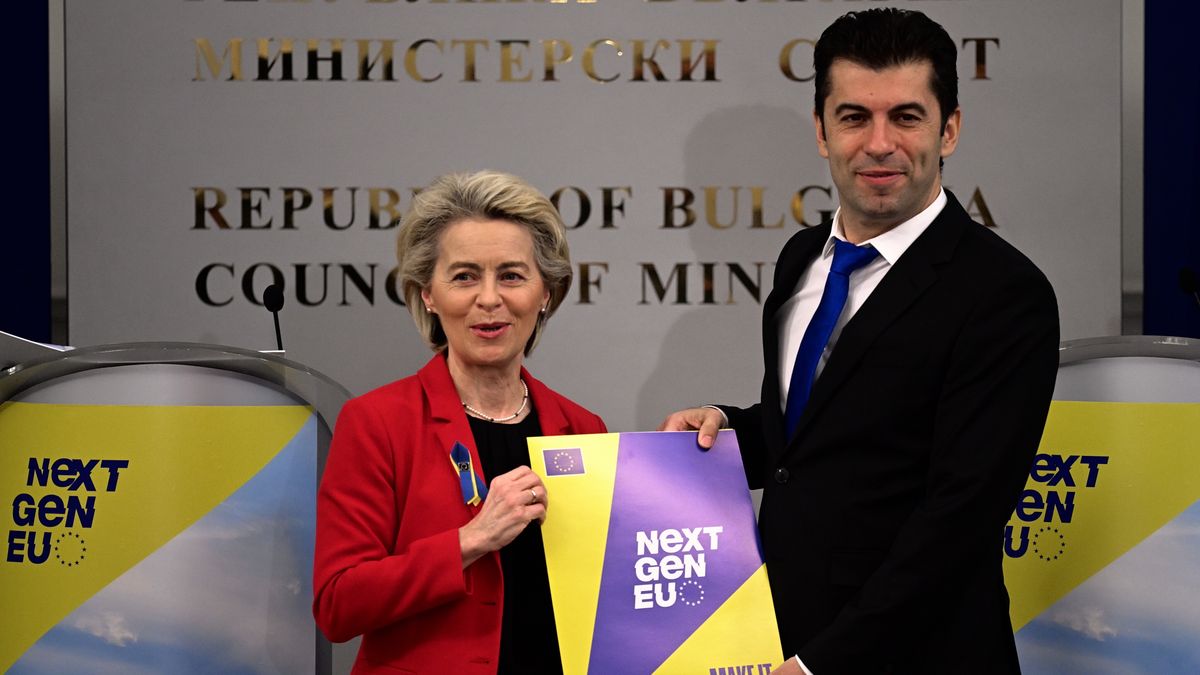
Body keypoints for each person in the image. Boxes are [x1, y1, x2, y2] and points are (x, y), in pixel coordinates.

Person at [660, 8, 1059, 674]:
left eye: (906, 116)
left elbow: (960, 518)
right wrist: (729, 431)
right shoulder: (800, 259)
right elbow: (817, 443)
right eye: (854, 117)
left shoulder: (1004, 293)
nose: (879, 144)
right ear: (821, 131)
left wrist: (820, 663)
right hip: (782, 637)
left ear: (949, 128)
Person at [313, 170, 606, 674]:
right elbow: (338, 605)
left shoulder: (583, 428)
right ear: (428, 293)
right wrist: (471, 540)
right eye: (465, 276)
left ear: (546, 294)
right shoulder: (377, 422)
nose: (488, 299)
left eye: (511, 276)